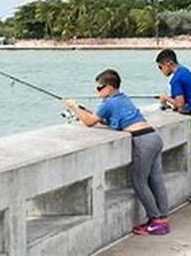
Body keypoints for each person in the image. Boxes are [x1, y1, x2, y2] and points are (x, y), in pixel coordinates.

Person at [63, 69, 170, 235]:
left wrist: (74, 107)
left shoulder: (108, 103)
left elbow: (89, 122)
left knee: (139, 181)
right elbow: (107, 120)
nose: (97, 91)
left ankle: (155, 220)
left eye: (100, 87)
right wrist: (90, 112)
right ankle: (163, 219)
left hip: (142, 141)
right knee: (156, 180)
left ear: (110, 87)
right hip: (153, 136)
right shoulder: (122, 98)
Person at [155, 48, 191, 202]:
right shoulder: (186, 71)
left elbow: (180, 103)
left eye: (160, 67)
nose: (161, 71)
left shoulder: (176, 79)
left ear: (168, 64)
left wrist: (166, 98)